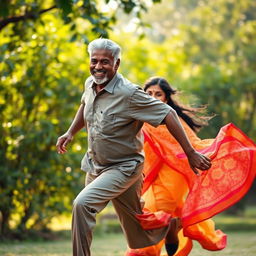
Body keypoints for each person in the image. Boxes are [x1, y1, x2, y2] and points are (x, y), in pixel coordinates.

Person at [56, 38, 212, 256]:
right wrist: (70, 132)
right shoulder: (90, 83)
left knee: (82, 204)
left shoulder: (129, 93)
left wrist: (191, 153)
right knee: (138, 233)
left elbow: (169, 113)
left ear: (116, 63)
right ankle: (169, 226)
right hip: (96, 165)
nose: (98, 66)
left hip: (123, 167)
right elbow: (85, 104)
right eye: (94, 61)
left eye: (105, 62)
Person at [125, 77, 256, 256]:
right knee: (150, 212)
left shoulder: (171, 117)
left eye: (158, 94)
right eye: (149, 93)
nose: (153, 97)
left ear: (166, 98)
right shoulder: (140, 118)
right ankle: (169, 232)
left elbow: (193, 144)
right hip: (152, 174)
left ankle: (169, 230)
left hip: (175, 172)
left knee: (163, 209)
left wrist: (212, 151)